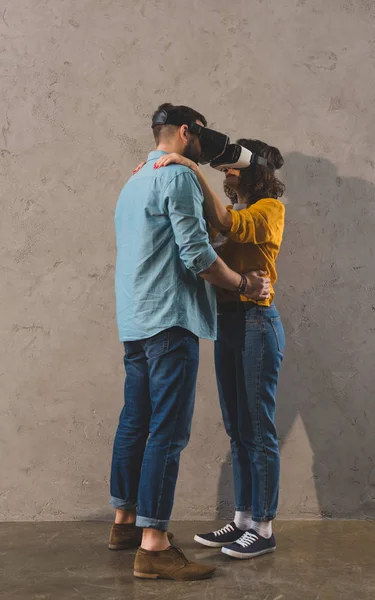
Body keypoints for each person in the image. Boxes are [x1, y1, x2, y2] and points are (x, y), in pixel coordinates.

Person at [108, 104, 270, 581]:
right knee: (168, 431)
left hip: (135, 318)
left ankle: (125, 523)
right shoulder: (176, 177)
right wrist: (243, 284)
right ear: (185, 132)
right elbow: (196, 254)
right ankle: (154, 546)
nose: (203, 150)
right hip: (169, 318)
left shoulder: (134, 178)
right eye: (199, 140)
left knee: (135, 422)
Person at [152, 138, 286, 560]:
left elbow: (232, 226)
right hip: (228, 324)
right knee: (238, 430)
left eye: (232, 165)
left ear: (253, 171)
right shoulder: (241, 211)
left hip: (256, 322)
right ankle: (243, 519)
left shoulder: (270, 211)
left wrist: (191, 170)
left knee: (259, 430)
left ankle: (264, 528)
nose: (225, 171)